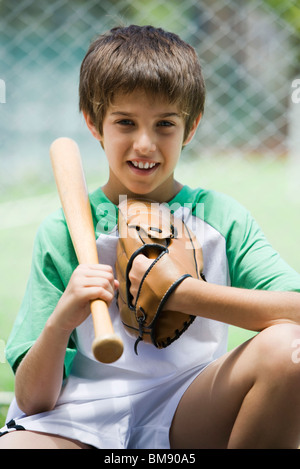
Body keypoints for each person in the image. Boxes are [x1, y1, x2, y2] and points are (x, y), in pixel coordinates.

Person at [1, 24, 300, 450]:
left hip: (188, 408)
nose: (145, 143)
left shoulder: (220, 218)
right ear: (94, 123)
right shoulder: (65, 231)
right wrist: (62, 320)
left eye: (165, 124)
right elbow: (33, 398)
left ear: (190, 127)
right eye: (125, 122)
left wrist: (183, 292)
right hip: (78, 417)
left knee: (292, 350)